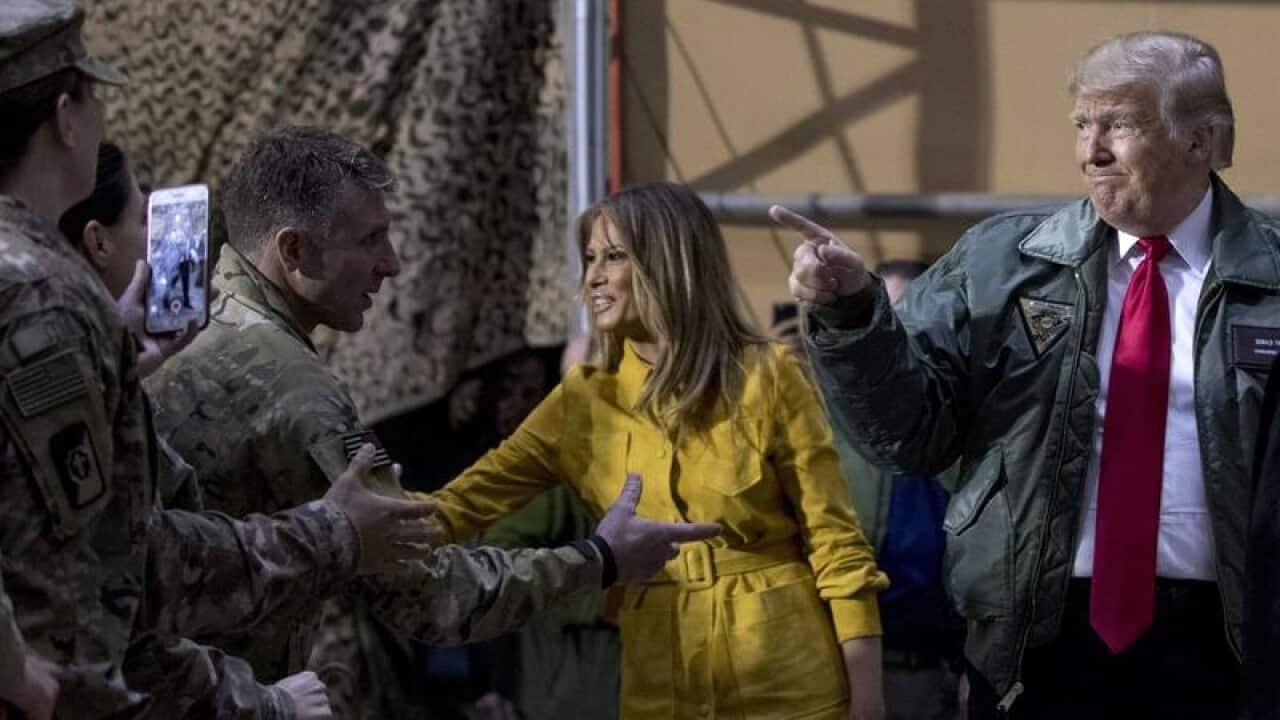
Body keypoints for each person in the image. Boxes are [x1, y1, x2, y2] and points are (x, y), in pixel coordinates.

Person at [776, 31, 1276, 719]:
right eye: (1082, 125)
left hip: (1233, 650)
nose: (1090, 150)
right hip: (1033, 646)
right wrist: (854, 317)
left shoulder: (1271, 279)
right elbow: (908, 437)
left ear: (1200, 140)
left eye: (1119, 125)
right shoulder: (997, 265)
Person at [144, 127, 720, 719]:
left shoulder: (176, 335)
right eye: (371, 240)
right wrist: (600, 559)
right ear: (293, 252)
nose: (390, 265)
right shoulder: (294, 390)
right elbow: (436, 597)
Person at [0, 3, 442, 718]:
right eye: (96, 98)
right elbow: (109, 583)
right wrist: (332, 536)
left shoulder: (47, 300)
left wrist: (108, 364)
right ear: (66, 116)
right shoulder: (45, 298)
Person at [424, 182, 890, 720]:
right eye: (590, 258)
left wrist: (868, 699)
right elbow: (463, 503)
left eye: (614, 257)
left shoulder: (770, 375)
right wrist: (348, 531)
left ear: (667, 263)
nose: (593, 276)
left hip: (787, 679)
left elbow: (838, 546)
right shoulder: (581, 400)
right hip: (658, 679)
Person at [834, 260, 965, 720]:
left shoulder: (966, 427)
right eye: (883, 320)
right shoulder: (830, 430)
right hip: (848, 667)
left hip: (942, 673)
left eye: (906, 320)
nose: (891, 338)